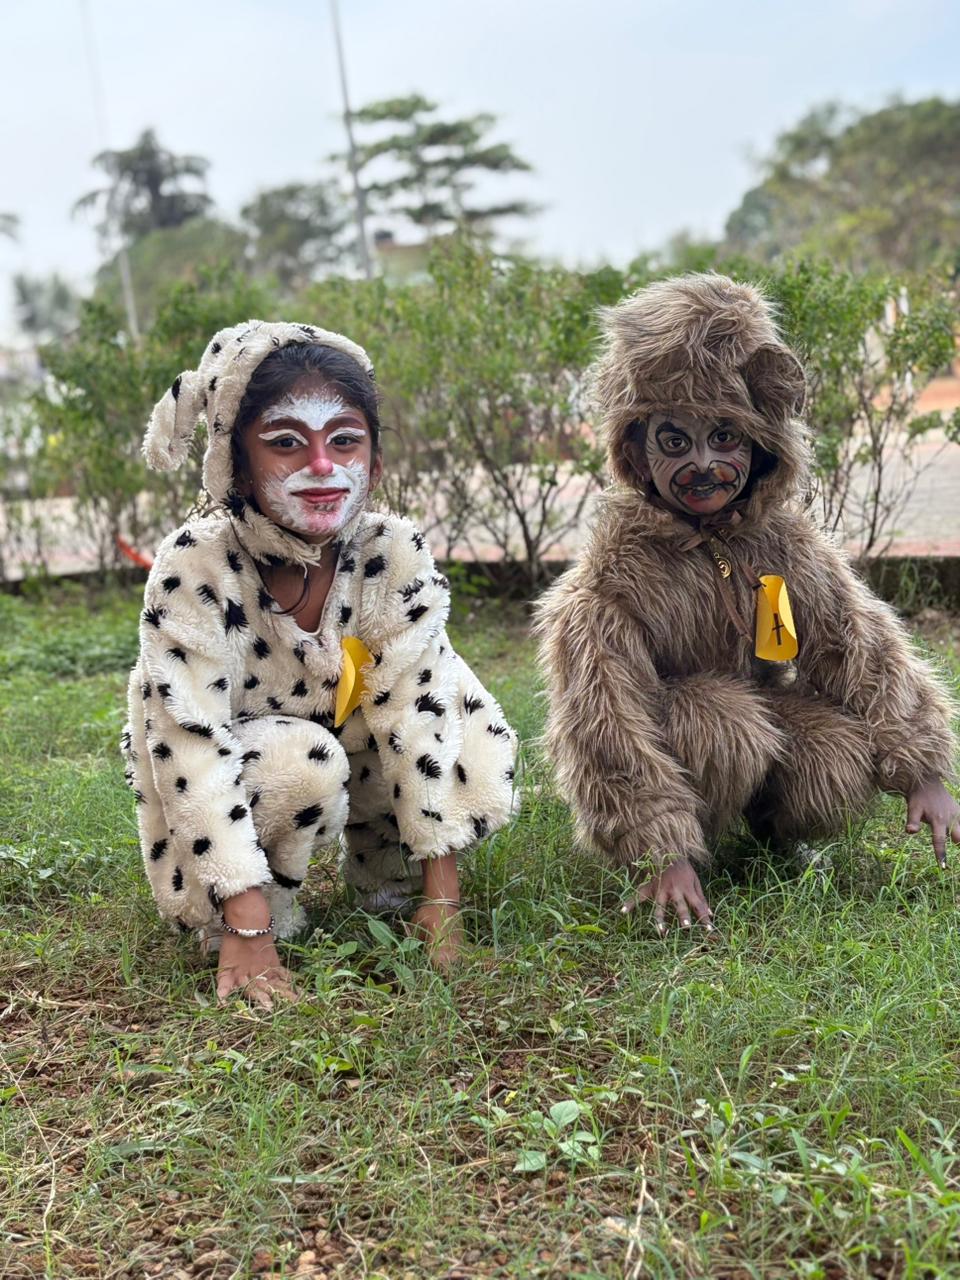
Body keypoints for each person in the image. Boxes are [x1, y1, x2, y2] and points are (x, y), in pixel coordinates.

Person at [535, 273, 958, 931]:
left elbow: (855, 641)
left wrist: (922, 767)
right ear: (640, 454)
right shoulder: (616, 578)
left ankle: (775, 840)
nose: (704, 465)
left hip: (762, 714)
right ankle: (684, 859)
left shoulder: (784, 542)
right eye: (677, 442)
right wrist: (656, 848)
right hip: (691, 730)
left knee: (834, 753)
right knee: (724, 720)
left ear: (761, 448)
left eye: (725, 439)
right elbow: (604, 725)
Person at [122, 320, 517, 1004]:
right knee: (302, 760)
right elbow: (189, 747)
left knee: (458, 699)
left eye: (345, 442)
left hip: (349, 743)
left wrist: (443, 904)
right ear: (233, 464)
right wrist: (248, 931)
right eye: (284, 444)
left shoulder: (390, 551)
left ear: (378, 459)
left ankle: (391, 886)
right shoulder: (196, 564)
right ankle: (242, 913)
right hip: (242, 781)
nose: (324, 468)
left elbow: (416, 712)